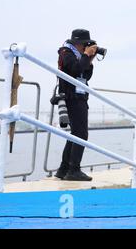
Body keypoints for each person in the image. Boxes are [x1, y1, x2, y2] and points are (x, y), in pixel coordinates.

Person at [54, 29, 98, 181]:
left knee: (75, 134)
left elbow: (86, 75)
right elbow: (76, 69)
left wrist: (89, 59)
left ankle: (64, 169)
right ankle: (74, 170)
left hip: (79, 96)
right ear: (78, 43)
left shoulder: (78, 55)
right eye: (85, 44)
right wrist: (86, 55)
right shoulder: (66, 53)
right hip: (72, 97)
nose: (86, 47)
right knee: (81, 134)